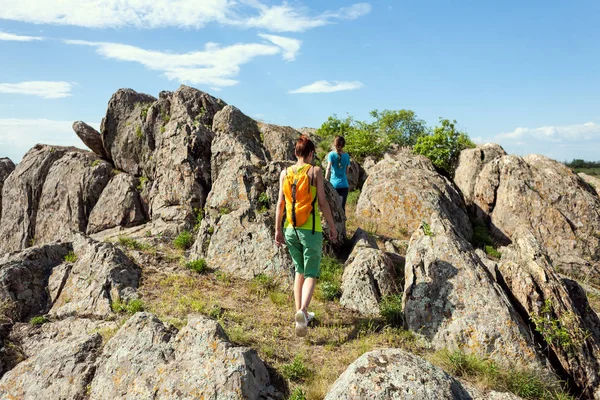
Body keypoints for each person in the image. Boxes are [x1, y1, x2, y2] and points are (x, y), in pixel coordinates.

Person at [275, 135, 338, 337]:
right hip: (310, 230)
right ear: (310, 153)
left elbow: (280, 205)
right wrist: (333, 226)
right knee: (311, 273)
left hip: (289, 229)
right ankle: (302, 311)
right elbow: (322, 202)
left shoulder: (285, 173)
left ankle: (300, 317)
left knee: (298, 271)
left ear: (296, 153)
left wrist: (277, 230)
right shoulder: (315, 171)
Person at [325, 136, 351, 210]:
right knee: (341, 208)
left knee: (333, 208)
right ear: (343, 145)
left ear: (334, 144)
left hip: (333, 185)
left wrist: (326, 180)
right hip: (344, 185)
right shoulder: (346, 156)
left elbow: (328, 168)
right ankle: (343, 221)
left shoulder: (331, 155)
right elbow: (346, 171)